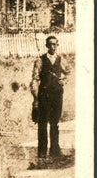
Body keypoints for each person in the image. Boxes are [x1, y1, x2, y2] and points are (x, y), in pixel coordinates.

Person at [30, 34, 70, 166]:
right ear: (47, 46)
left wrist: (63, 80)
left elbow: (68, 73)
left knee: (55, 122)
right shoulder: (40, 60)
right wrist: (36, 98)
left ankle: (55, 151)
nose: (54, 47)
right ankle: (42, 152)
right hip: (44, 95)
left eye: (56, 44)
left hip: (57, 94)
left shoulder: (61, 59)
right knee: (42, 123)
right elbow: (35, 79)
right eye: (51, 44)